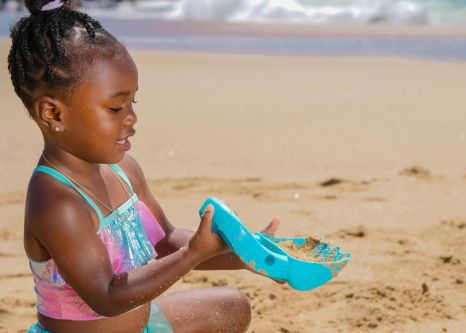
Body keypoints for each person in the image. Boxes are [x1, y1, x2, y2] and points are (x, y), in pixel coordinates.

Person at [7, 0, 281, 332]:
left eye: (132, 102)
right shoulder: (57, 203)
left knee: (232, 306)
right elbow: (106, 296)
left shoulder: (125, 172)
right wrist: (192, 256)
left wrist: (246, 254)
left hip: (142, 326)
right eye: (115, 108)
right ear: (53, 114)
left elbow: (164, 240)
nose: (132, 118)